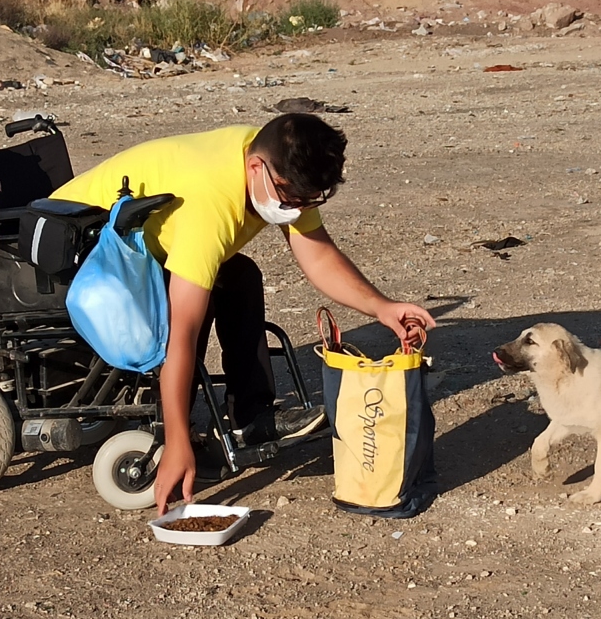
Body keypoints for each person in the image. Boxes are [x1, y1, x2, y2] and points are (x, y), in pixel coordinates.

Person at [49, 113, 436, 513]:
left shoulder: (274, 163)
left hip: (138, 250)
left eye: (307, 202)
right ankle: (173, 428)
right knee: (208, 294)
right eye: (289, 199)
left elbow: (318, 256)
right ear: (256, 167)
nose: (295, 209)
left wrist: (382, 307)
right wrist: (177, 444)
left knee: (241, 275)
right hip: (76, 254)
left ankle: (251, 419)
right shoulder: (211, 201)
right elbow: (181, 333)